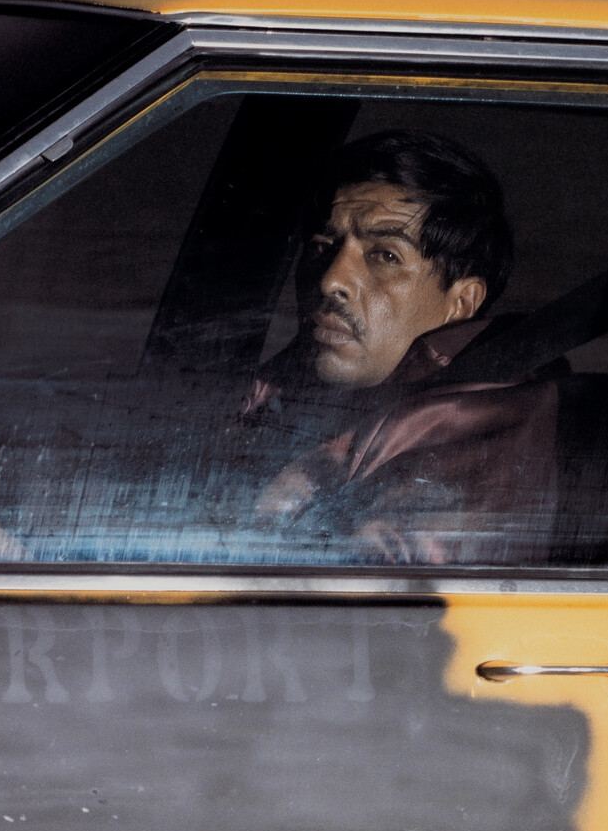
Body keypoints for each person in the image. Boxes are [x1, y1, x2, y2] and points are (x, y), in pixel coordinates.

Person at [240, 129, 563, 565]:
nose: (330, 280)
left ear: (460, 303)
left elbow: (376, 597)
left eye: (385, 256)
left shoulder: (479, 425)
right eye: (323, 246)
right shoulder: (284, 389)